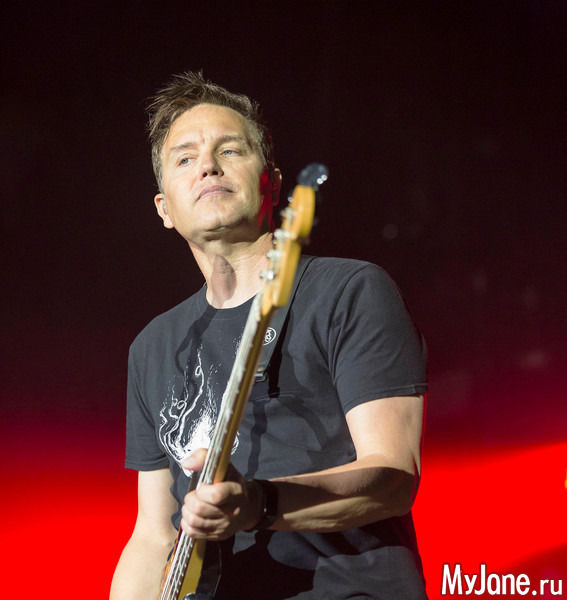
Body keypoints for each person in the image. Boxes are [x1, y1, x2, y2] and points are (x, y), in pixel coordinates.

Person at [110, 71, 428, 600]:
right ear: (164, 209)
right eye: (185, 158)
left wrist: (258, 505)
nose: (207, 165)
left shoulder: (348, 290)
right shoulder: (152, 347)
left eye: (230, 150)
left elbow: (394, 478)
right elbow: (152, 535)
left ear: (272, 182)